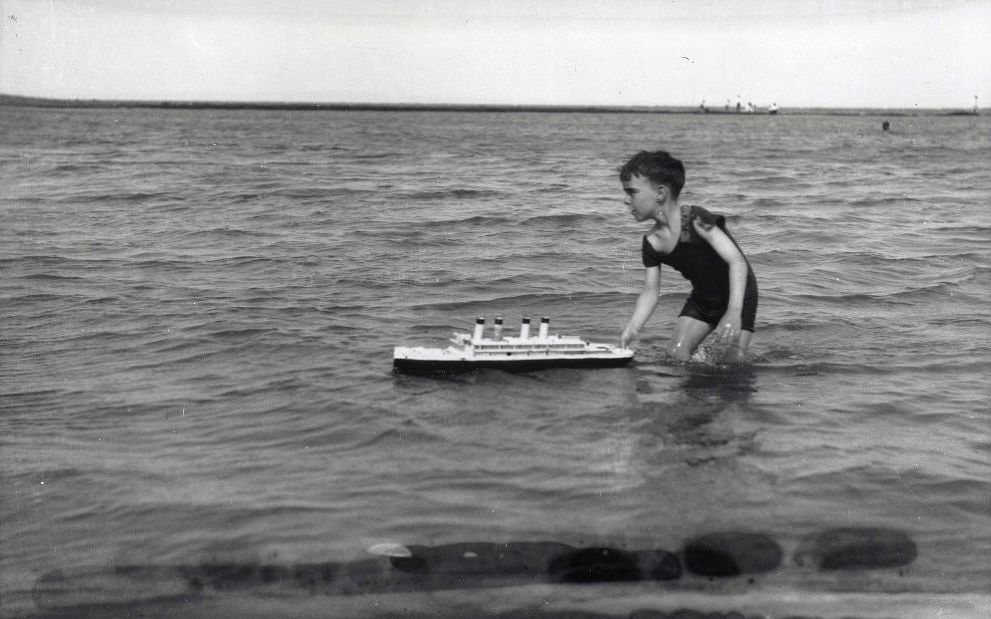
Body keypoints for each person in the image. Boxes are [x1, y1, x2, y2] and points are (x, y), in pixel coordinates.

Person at [618, 151, 758, 362]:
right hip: (703, 300)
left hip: (740, 295)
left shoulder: (695, 219)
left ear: (660, 193)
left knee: (732, 369)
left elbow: (736, 261)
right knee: (675, 356)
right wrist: (632, 328)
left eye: (632, 192)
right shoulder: (652, 242)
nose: (626, 201)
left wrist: (734, 311)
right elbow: (650, 293)